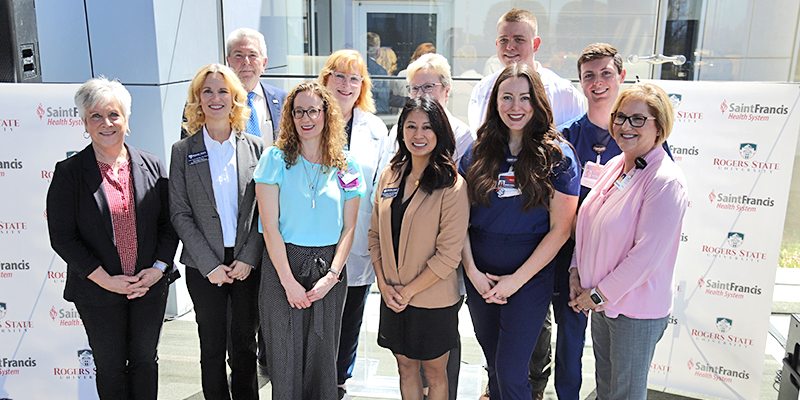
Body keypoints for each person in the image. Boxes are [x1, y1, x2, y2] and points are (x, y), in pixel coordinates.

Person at [466, 9, 584, 398]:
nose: (515, 106)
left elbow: (561, 229)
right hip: (479, 277)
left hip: (528, 280)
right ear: (494, 101)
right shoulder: (478, 153)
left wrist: (517, 280)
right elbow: (458, 221)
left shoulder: (558, 156)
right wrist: (473, 271)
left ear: (538, 101)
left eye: (524, 98)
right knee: (494, 368)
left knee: (513, 373)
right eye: (506, 97)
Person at [47, 77, 179, 400]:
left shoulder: (152, 165)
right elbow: (62, 236)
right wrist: (106, 280)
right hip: (97, 291)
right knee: (110, 365)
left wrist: (158, 269)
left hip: (148, 287)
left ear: (127, 120)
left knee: (146, 361)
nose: (106, 123)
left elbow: (169, 223)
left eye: (114, 115)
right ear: (84, 123)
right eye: (96, 116)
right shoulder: (68, 173)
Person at [568, 82, 688, 400]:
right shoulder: (615, 166)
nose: (625, 126)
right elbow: (587, 225)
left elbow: (645, 257)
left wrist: (597, 295)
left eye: (638, 119)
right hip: (602, 302)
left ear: (660, 127)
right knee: (607, 390)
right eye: (620, 117)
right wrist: (575, 271)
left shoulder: (666, 181)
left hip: (634, 310)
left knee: (624, 395)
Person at [254, 81, 364, 400]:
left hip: (329, 268)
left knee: (322, 358)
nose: (306, 118)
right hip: (282, 264)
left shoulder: (347, 165)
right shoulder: (274, 159)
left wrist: (332, 276)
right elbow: (269, 227)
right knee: (285, 359)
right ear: (289, 116)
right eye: (298, 111)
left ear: (326, 115)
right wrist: (287, 281)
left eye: (313, 110)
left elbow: (349, 228)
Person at [169, 63, 265, 400]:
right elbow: (179, 213)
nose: (215, 98)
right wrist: (209, 265)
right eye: (207, 91)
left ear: (236, 98)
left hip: (245, 265)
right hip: (202, 265)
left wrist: (249, 258)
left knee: (244, 346)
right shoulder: (182, 151)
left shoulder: (255, 147)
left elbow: (264, 213)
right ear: (197, 99)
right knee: (210, 347)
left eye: (223, 91)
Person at [369, 95, 469, 400]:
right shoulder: (390, 174)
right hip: (393, 295)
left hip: (432, 300)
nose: (418, 134)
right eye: (410, 126)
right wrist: (384, 285)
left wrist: (408, 291)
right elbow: (374, 235)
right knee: (405, 368)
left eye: (427, 127)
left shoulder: (452, 185)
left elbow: (449, 255)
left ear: (439, 132)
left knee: (436, 373)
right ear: (401, 132)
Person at [548, 42, 627, 400]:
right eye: (589, 76)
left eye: (606, 74)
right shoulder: (564, 137)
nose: (598, 83)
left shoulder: (639, 134)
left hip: (621, 260)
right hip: (570, 256)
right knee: (570, 335)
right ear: (580, 82)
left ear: (621, 76)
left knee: (617, 346)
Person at [317, 49, 389, 399]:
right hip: (313, 235)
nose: (346, 84)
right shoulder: (309, 118)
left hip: (358, 235)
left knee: (351, 311)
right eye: (340, 76)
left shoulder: (375, 128)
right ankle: (312, 377)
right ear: (326, 78)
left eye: (355, 78)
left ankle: (339, 382)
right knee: (315, 312)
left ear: (363, 85)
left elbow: (382, 185)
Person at [467, 9, 584, 132]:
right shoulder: (483, 90)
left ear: (535, 44)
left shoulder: (565, 93)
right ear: (497, 44)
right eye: (504, 40)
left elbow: (575, 142)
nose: (510, 47)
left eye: (519, 39)